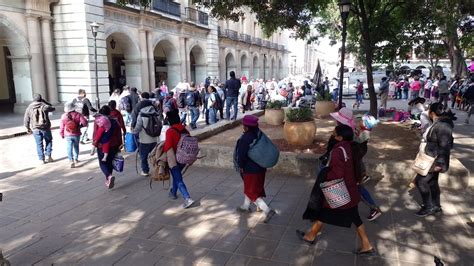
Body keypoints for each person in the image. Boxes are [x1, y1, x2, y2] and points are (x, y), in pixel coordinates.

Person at [297, 124, 375, 256]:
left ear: (339, 137)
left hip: (340, 188)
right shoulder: (350, 146)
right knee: (350, 216)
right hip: (350, 188)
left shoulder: (339, 150)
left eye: (334, 133)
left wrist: (325, 177)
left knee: (326, 211)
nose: (332, 135)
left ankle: (310, 236)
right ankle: (366, 245)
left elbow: (337, 173)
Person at [414, 102, 455, 217]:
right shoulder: (440, 123)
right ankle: (436, 206)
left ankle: (428, 207)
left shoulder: (443, 126)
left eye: (429, 112)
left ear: (432, 113)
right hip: (431, 158)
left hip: (434, 160)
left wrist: (440, 164)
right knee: (432, 183)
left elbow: (445, 146)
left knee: (420, 181)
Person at [235, 115, 276, 223]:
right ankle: (245, 206)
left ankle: (267, 210)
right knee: (253, 188)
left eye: (243, 125)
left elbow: (241, 156)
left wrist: (241, 166)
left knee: (251, 192)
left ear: (246, 127)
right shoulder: (258, 133)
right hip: (261, 167)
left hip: (250, 170)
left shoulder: (245, 139)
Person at [163, 109, 195, 209]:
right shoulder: (185, 130)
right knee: (176, 176)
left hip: (175, 158)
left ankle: (187, 198)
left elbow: (168, 146)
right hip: (185, 158)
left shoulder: (170, 131)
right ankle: (173, 192)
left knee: (178, 179)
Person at [92, 105, 123, 189]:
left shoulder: (98, 121)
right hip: (114, 144)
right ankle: (109, 178)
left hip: (102, 145)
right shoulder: (115, 120)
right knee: (109, 162)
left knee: (102, 162)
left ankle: (108, 176)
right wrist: (120, 143)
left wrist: (94, 143)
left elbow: (96, 133)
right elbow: (119, 133)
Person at [24, 93, 56, 164]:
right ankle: (48, 156)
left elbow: (26, 119)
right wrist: (45, 102)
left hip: (35, 128)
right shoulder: (44, 106)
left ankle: (41, 159)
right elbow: (53, 108)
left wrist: (28, 128)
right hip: (45, 127)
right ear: (41, 99)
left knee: (39, 144)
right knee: (49, 140)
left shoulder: (29, 107)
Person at [133, 102, 160, 176]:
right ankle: (158, 169)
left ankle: (145, 171)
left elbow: (138, 127)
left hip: (144, 140)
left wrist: (133, 131)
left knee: (143, 156)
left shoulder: (141, 115)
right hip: (154, 139)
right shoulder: (156, 114)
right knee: (155, 155)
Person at [59, 102, 87, 168]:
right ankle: (76, 159)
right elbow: (85, 123)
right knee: (76, 146)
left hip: (68, 133)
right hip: (76, 133)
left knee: (69, 147)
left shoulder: (63, 116)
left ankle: (71, 160)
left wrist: (62, 133)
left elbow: (61, 126)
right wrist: (80, 126)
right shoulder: (78, 114)